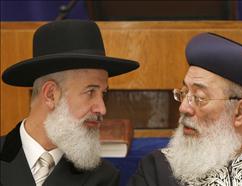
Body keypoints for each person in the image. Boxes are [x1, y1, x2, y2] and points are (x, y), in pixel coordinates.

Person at [128, 33, 242, 186]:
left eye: (199, 98)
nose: (183, 107)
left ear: (240, 112)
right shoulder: (157, 170)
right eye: (184, 92)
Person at [0, 19, 139, 186]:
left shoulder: (103, 177)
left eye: (103, 94)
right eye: (90, 92)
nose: (102, 108)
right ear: (51, 94)